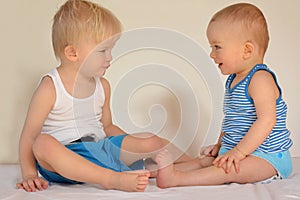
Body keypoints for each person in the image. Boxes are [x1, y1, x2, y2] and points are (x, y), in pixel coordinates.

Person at [16, 0, 190, 192]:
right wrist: (30, 174)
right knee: (42, 143)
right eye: (102, 51)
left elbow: (107, 127)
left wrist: (136, 145)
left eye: (111, 49)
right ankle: (110, 178)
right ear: (73, 53)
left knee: (150, 139)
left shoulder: (102, 86)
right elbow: (29, 136)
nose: (110, 57)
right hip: (63, 159)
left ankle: (196, 163)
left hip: (99, 149)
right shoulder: (51, 86)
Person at [155, 3, 293, 188]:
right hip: (240, 151)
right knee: (204, 161)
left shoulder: (260, 79)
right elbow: (232, 120)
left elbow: (267, 121)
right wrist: (221, 145)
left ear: (247, 50)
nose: (212, 54)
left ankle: (177, 179)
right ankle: (155, 172)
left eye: (217, 46)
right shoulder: (234, 80)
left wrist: (238, 152)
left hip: (267, 157)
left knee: (229, 170)